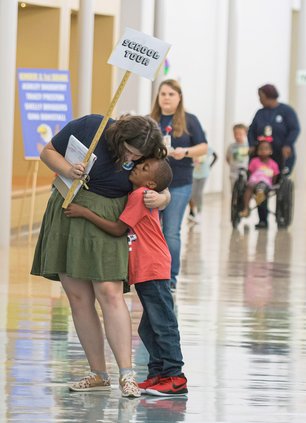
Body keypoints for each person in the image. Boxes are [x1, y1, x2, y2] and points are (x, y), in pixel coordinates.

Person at [31, 114, 170, 398]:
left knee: (110, 292)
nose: (130, 156)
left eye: (137, 155)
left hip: (109, 216)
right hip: (69, 207)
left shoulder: (150, 149)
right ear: (119, 136)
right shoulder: (92, 125)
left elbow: (164, 186)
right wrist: (68, 169)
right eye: (128, 150)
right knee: (78, 296)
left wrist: (162, 199)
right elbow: (48, 151)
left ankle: (127, 374)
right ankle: (98, 373)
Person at [64, 157, 188, 397]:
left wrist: (84, 212)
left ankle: (174, 376)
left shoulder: (139, 195)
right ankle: (156, 375)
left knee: (163, 324)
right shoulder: (140, 192)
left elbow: (117, 228)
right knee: (149, 328)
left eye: (142, 169)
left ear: (150, 183)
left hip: (153, 268)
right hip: (145, 270)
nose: (136, 168)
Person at [151, 79, 208, 291]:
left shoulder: (189, 120)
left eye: (171, 94)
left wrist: (184, 152)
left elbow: (203, 146)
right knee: (151, 231)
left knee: (171, 231)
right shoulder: (151, 120)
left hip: (180, 182)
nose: (166, 97)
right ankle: (151, 274)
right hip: (153, 183)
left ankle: (170, 278)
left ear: (179, 97)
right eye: (163, 93)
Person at [248, 84, 300, 229]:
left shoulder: (286, 111)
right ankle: (262, 219)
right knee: (261, 185)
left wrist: (288, 144)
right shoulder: (260, 113)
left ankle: (281, 216)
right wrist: (252, 145)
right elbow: (251, 130)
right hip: (262, 159)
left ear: (269, 96)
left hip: (281, 157)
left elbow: (295, 129)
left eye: (261, 97)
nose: (259, 100)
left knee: (281, 185)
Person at [239, 140, 280, 218]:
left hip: (265, 181)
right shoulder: (254, 161)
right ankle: (246, 208)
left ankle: (260, 196)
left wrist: (272, 183)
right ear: (257, 151)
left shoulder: (273, 164)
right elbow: (250, 172)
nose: (263, 151)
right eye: (261, 149)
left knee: (261, 187)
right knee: (249, 188)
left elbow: (275, 176)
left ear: (270, 151)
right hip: (254, 180)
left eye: (266, 149)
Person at [188, 146, 218, 223]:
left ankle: (199, 212)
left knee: (198, 193)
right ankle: (191, 211)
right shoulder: (192, 148)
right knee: (191, 193)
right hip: (193, 174)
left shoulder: (207, 148)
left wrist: (210, 166)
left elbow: (216, 156)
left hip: (204, 174)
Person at [226, 123, 249, 191]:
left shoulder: (248, 146)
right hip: (233, 174)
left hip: (245, 174)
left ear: (245, 134)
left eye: (240, 134)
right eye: (235, 133)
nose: (237, 136)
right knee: (234, 191)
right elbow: (227, 158)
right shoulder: (231, 146)